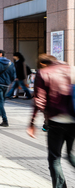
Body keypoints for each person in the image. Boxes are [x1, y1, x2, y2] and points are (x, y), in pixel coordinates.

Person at [27, 54, 75, 188]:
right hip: (73, 119)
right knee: (70, 154)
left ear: (42, 64)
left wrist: (32, 123)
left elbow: (39, 101)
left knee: (55, 158)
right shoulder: (70, 69)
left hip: (56, 120)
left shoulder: (43, 73)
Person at [0, 49, 16, 127]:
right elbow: (14, 76)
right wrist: (9, 82)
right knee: (2, 102)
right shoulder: (10, 63)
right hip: (6, 85)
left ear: (0, 54)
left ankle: (5, 120)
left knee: (0, 102)